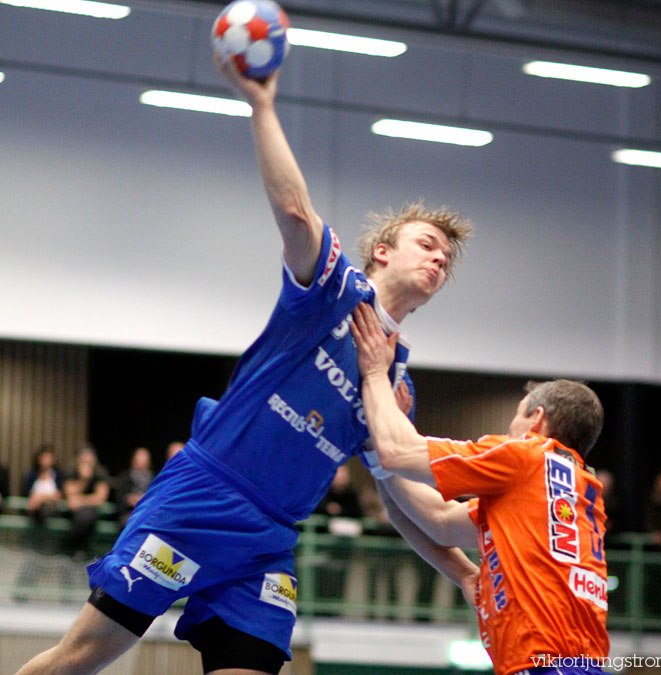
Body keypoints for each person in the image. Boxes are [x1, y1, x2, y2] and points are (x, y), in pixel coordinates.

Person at [15, 58, 473, 675]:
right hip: (204, 497)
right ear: (383, 252)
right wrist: (260, 104)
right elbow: (293, 211)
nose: (439, 259)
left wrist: (468, 574)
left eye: (447, 259)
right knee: (87, 655)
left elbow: (405, 504)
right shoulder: (331, 289)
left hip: (268, 542)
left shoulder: (394, 385)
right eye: (428, 244)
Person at [350, 302, 610, 675]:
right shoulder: (568, 492)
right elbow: (435, 520)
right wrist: (467, 576)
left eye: (515, 416)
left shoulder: (526, 454)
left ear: (536, 420)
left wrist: (374, 373)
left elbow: (398, 451)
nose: (508, 430)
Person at [62, 446, 111, 560]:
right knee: (80, 517)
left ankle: (73, 549)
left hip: (91, 510)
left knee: (86, 516)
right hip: (73, 512)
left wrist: (81, 500)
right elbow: (69, 493)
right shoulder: (72, 470)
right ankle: (77, 550)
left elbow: (100, 497)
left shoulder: (100, 472)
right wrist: (83, 480)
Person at [112, 447, 154, 530]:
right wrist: (129, 499)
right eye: (139, 458)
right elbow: (118, 498)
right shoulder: (124, 477)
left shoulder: (154, 479)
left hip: (149, 514)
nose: (141, 461)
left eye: (144, 458)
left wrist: (144, 499)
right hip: (129, 513)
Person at [22, 444, 64, 524]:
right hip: (34, 511)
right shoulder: (31, 475)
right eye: (44, 457)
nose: (47, 460)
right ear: (38, 458)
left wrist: (41, 498)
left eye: (49, 457)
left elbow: (59, 495)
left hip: (53, 511)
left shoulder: (58, 475)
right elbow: (27, 494)